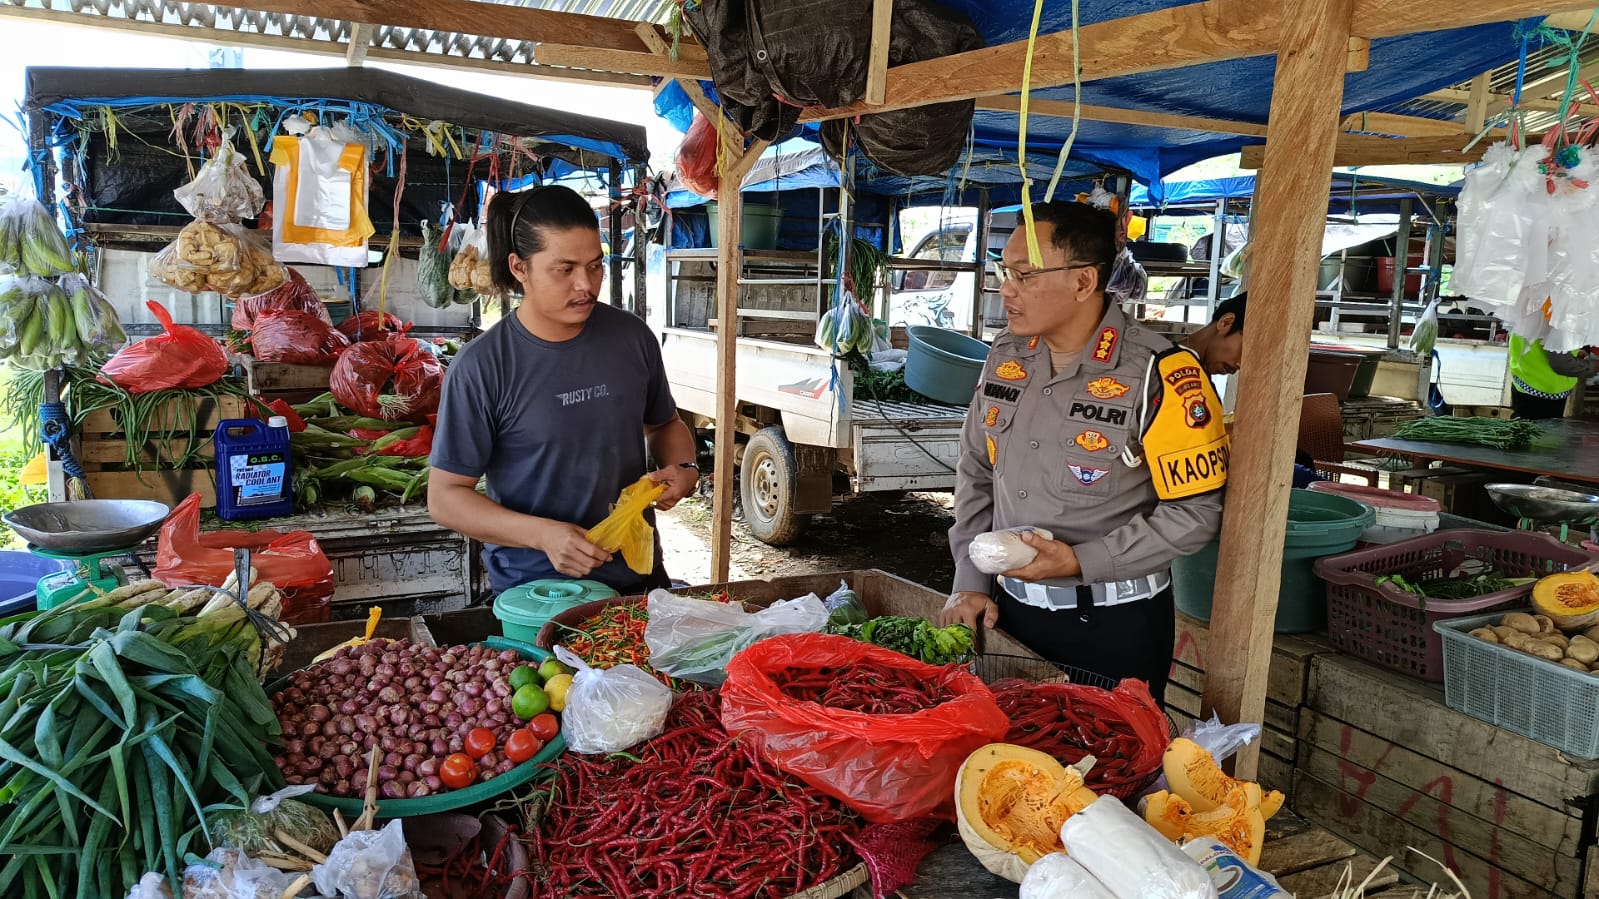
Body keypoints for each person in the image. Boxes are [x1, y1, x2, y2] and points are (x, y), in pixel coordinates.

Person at [940, 201, 1228, 702]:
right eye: (1004, 272)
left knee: (1110, 752)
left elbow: (1196, 512)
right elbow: (978, 473)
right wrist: (970, 581)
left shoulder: (1161, 373)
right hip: (1007, 616)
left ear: (1083, 281)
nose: (1006, 288)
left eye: (1024, 275)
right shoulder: (1006, 356)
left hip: (1113, 628)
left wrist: (1080, 561)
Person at [428, 185, 701, 596]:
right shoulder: (482, 367)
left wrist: (683, 468)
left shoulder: (631, 337)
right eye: (565, 269)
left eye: (595, 266)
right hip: (535, 591)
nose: (585, 285)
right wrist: (543, 536)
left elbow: (664, 424)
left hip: (637, 579)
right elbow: (446, 497)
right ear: (519, 268)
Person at [1508, 334, 1597, 420]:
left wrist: (1573, 353)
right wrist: (1591, 366)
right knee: (1537, 429)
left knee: (1522, 425)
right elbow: (1560, 363)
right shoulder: (1561, 323)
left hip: (1525, 378)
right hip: (1544, 390)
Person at [1181, 292, 1247, 377]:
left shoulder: (1197, 378)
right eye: (1243, 350)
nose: (1240, 365)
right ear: (1226, 323)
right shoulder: (1166, 365)